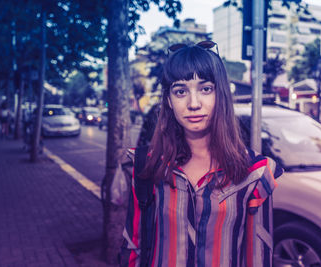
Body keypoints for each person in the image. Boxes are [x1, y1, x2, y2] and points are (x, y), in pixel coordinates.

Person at [120, 41, 283, 267]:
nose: (193, 103)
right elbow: (133, 247)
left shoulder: (255, 173)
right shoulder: (147, 166)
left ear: (220, 95)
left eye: (205, 89)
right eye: (180, 91)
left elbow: (258, 258)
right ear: (168, 100)